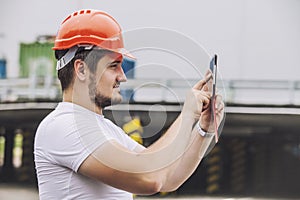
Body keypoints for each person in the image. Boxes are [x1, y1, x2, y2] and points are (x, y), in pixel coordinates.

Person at [34, 9, 225, 199]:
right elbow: (150, 178)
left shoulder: (107, 129)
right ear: (81, 69)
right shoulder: (63, 127)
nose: (122, 76)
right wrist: (187, 115)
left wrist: (203, 129)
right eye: (113, 66)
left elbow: (168, 177)